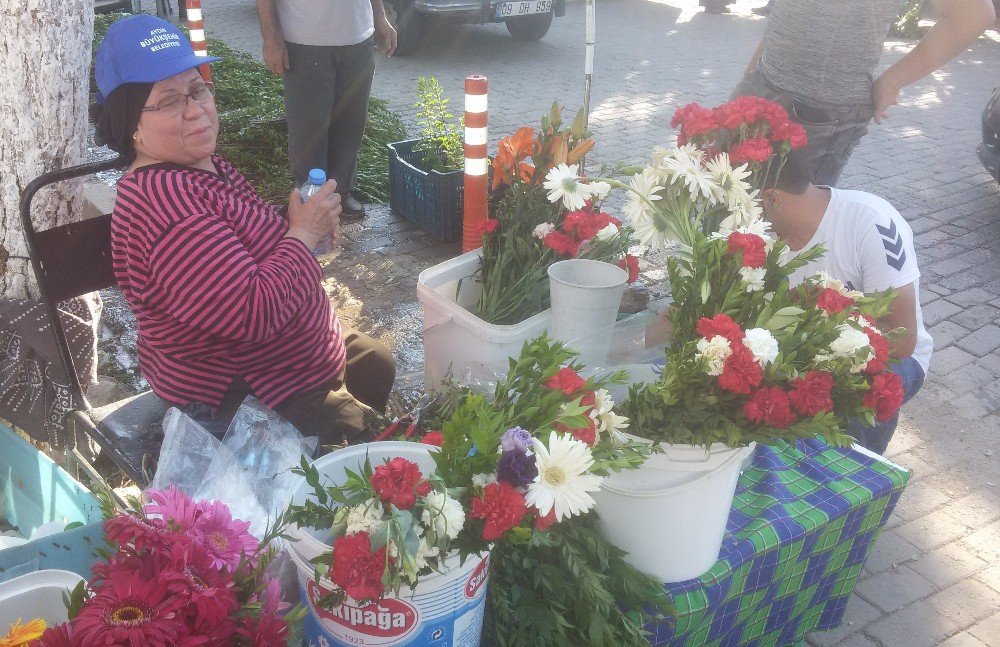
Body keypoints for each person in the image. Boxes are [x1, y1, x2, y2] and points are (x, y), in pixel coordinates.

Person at [91, 14, 395, 450]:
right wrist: (302, 236)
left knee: (375, 361)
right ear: (130, 124)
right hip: (249, 395)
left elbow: (236, 237)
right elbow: (252, 312)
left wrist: (295, 223)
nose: (196, 110)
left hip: (289, 360)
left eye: (198, 90)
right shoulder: (166, 209)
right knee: (372, 454)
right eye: (170, 101)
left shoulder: (197, 165)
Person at [762, 161, 933, 454]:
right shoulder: (758, 234)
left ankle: (856, 481)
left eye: (741, 202)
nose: (735, 215)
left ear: (771, 198)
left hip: (888, 358)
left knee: (849, 398)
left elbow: (902, 340)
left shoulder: (871, 221)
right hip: (798, 350)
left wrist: (808, 358)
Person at [732, 0, 996, 186]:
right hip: (763, 83)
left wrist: (892, 81)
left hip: (818, 115)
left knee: (779, 239)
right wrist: (752, 75)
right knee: (726, 209)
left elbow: (974, 15)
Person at [255, 0, 397, 220]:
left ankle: (340, 193)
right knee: (310, 128)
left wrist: (380, 17)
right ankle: (312, 199)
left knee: (351, 124)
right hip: (304, 39)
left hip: (358, 37)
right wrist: (271, 38)